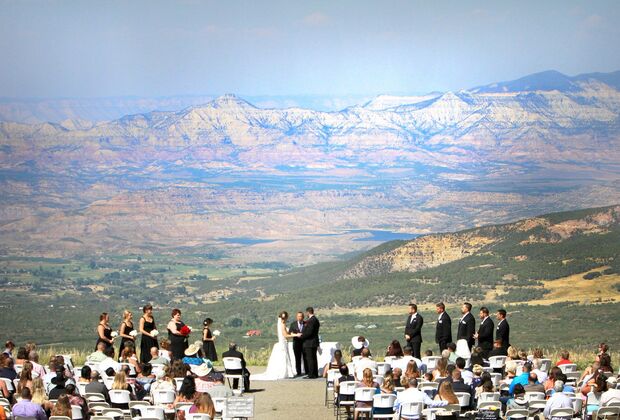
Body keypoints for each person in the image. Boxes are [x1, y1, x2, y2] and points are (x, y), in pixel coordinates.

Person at [252, 311, 299, 380]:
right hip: (283, 343)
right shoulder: (282, 324)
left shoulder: (280, 324)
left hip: (283, 342)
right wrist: (296, 335)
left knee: (285, 357)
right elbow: (285, 335)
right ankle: (285, 372)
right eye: (284, 318)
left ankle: (285, 372)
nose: (284, 319)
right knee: (285, 357)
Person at [299, 306, 320, 379]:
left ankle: (311, 374)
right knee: (314, 358)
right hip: (314, 342)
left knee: (310, 359)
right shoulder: (316, 320)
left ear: (308, 312)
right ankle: (315, 373)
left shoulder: (311, 320)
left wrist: (301, 336)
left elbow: (309, 332)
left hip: (309, 342)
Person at [289, 311, 305, 377]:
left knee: (305, 358)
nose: (299, 318)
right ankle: (298, 372)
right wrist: (296, 335)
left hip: (304, 343)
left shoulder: (306, 323)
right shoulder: (293, 324)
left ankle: (307, 371)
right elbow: (290, 333)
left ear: (303, 317)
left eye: (300, 316)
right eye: (298, 316)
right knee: (297, 358)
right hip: (296, 344)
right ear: (296, 317)